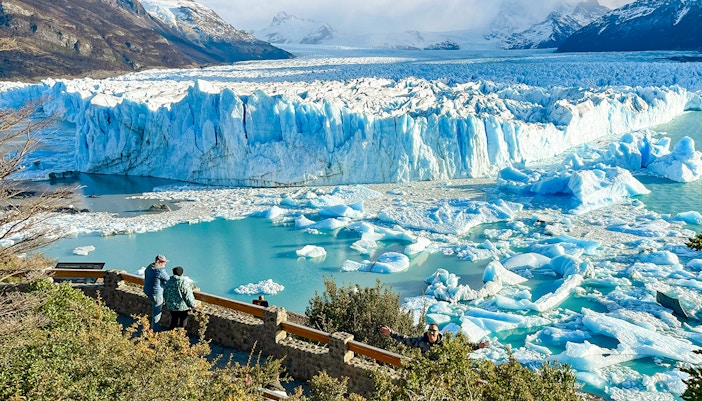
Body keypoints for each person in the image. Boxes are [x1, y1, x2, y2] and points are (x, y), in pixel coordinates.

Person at [380, 323, 489, 354]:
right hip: (425, 370)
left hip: (440, 373)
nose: (431, 334)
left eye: (434, 332)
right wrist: (391, 333)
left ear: (438, 333)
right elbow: (405, 340)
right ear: (427, 333)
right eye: (430, 331)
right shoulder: (421, 341)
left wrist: (477, 346)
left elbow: (461, 348)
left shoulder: (444, 344)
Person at [163, 266, 198, 330]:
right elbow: (188, 295)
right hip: (182, 307)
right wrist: (193, 305)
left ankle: (170, 335)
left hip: (171, 305)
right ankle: (180, 336)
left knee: (174, 320)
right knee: (183, 322)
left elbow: (165, 293)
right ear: (182, 273)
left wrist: (167, 302)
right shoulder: (183, 282)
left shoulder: (169, 281)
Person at [143, 254, 170, 330]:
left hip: (148, 291)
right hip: (156, 294)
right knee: (157, 314)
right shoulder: (160, 271)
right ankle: (154, 331)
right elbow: (168, 280)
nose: (165, 263)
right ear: (158, 262)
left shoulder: (149, 268)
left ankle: (151, 327)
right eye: (163, 262)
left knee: (154, 310)